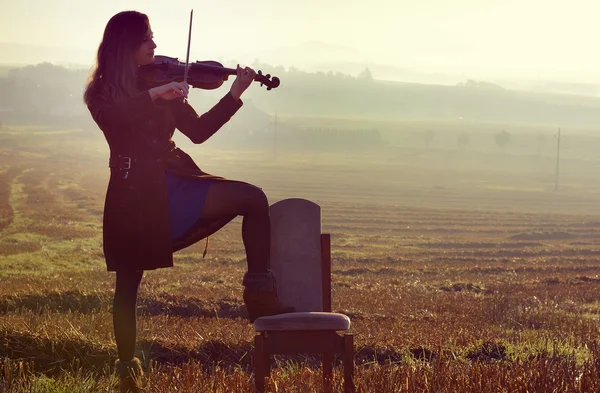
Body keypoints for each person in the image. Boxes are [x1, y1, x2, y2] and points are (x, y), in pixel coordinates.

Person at [83, 10, 294, 393]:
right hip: (133, 195)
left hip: (175, 183)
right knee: (128, 283)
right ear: (126, 43)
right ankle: (127, 371)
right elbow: (112, 119)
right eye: (147, 38)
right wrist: (154, 95)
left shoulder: (165, 83)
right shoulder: (102, 90)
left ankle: (259, 294)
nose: (155, 45)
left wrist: (234, 94)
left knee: (252, 198)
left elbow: (197, 132)